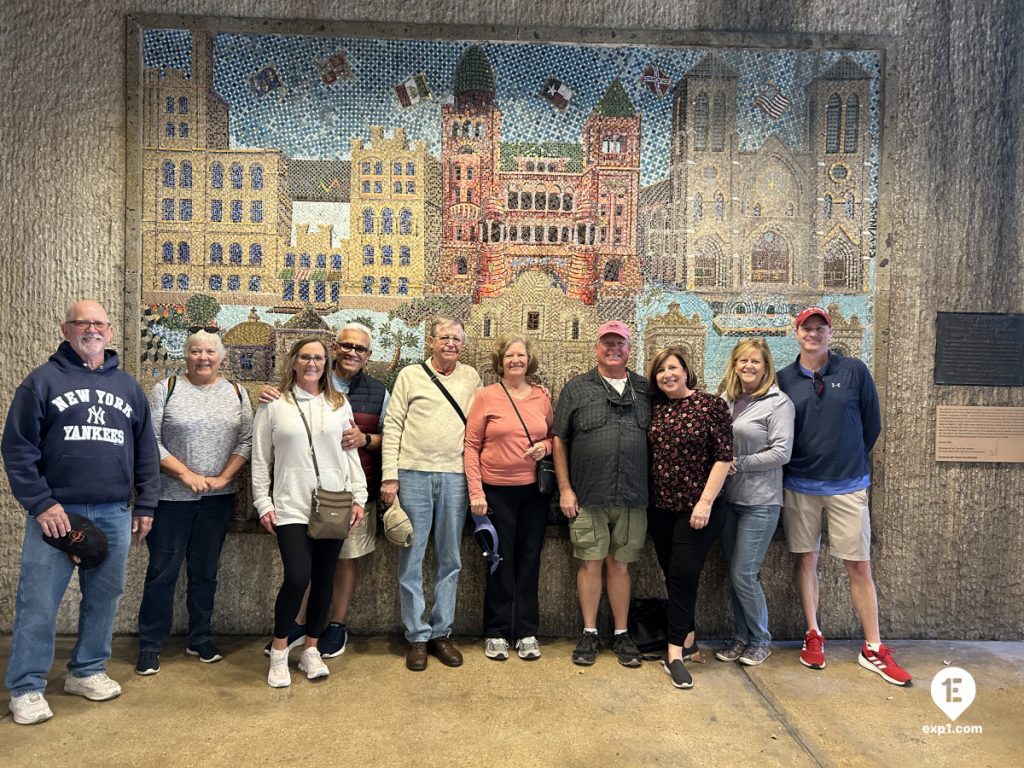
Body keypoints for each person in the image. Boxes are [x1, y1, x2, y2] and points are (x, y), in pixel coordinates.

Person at [2, 301, 160, 725]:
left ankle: (86, 670)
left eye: (99, 324)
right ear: (66, 330)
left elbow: (146, 450)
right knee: (38, 600)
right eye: (82, 323)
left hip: (113, 510)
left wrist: (146, 503)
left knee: (104, 597)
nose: (91, 329)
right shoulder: (42, 381)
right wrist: (41, 503)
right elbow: (17, 449)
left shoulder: (128, 388)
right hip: (57, 513)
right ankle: (27, 685)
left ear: (109, 333)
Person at [777, 306, 911, 686]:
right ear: (796, 332)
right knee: (806, 560)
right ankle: (813, 633)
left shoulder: (854, 371)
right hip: (800, 484)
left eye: (820, 328)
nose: (813, 334)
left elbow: (872, 424)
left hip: (848, 485)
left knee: (859, 565)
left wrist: (848, 458)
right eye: (807, 328)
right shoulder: (785, 378)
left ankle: (872, 646)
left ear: (830, 333)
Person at [258, 323, 389, 659]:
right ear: (294, 361)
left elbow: (356, 452)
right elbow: (260, 458)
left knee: (329, 571)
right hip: (291, 502)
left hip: (335, 501)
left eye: (317, 357)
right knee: (299, 576)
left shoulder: (344, 401)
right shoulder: (275, 403)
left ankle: (318, 642)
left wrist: (359, 495)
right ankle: (283, 644)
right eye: (305, 357)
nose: (312, 363)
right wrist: (263, 502)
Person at [135, 329, 253, 675]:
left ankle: (199, 637)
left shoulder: (236, 392)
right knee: (162, 573)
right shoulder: (166, 390)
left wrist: (224, 477)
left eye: (210, 352)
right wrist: (186, 475)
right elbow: (149, 442)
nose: (203, 358)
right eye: (196, 351)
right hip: (171, 499)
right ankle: (150, 644)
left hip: (217, 501)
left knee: (205, 573)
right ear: (185, 356)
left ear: (222, 358)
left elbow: (245, 441)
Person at [381, 317, 482, 671]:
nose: (450, 343)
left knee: (450, 558)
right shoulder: (410, 375)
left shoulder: (471, 378)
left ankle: (442, 632)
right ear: (431, 341)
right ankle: (417, 635)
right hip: (413, 474)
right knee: (412, 557)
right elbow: (392, 425)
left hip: (455, 476)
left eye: (456, 338)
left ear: (463, 345)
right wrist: (389, 477)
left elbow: (479, 428)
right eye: (444, 337)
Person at [553, 320, 649, 668]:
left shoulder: (644, 388)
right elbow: (559, 440)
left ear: (629, 347)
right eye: (607, 342)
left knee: (620, 565)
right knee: (590, 562)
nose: (614, 348)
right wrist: (565, 489)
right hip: (588, 494)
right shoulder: (577, 388)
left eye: (620, 343)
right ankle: (590, 632)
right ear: (596, 347)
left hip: (633, 495)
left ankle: (622, 634)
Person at [646, 346, 733, 689]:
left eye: (673, 368)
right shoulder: (655, 410)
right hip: (660, 507)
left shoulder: (711, 405)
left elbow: (724, 457)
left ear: (686, 371)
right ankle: (690, 637)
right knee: (673, 574)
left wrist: (705, 502)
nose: (667, 374)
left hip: (698, 509)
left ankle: (673, 656)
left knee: (683, 574)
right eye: (660, 371)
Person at [464, 335, 553, 661]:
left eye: (521, 355)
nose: (516, 360)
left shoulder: (542, 397)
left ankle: (527, 631)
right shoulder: (486, 397)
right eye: (510, 356)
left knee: (530, 560)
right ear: (500, 362)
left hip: (534, 493)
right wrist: (476, 492)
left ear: (529, 361)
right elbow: (471, 446)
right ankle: (497, 631)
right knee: (498, 560)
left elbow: (555, 439)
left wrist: (546, 447)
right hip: (495, 492)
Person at [715, 338, 794, 667]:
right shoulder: (727, 400)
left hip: (761, 502)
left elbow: (782, 452)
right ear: (734, 365)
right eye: (742, 361)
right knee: (735, 575)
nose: (748, 366)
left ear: (766, 367)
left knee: (744, 573)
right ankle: (741, 637)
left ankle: (761, 639)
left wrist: (739, 463)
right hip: (729, 500)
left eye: (755, 362)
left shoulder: (779, 403)